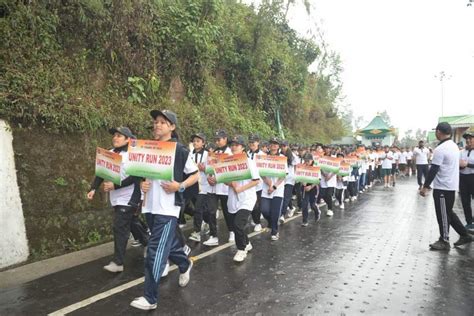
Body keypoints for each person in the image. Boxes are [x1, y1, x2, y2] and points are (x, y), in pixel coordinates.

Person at [130, 110, 199, 310]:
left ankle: (150, 298)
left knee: (155, 251)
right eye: (155, 122)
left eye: (163, 122)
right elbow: (143, 174)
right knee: (166, 246)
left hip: (168, 208)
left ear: (172, 127)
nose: (157, 125)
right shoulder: (148, 148)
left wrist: (180, 186)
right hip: (150, 206)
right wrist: (143, 184)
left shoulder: (180, 150)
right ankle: (185, 264)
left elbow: (194, 175)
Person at [87, 126, 142, 273]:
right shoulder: (109, 153)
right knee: (132, 224)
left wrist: (115, 186)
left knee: (119, 226)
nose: (115, 138)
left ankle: (118, 262)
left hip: (130, 196)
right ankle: (149, 243)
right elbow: (100, 173)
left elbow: (135, 177)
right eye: (114, 135)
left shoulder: (133, 155)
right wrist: (93, 188)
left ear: (128, 139)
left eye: (119, 135)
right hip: (116, 197)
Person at [419, 122, 472, 251]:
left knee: (442, 213)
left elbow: (434, 169)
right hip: (451, 185)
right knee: (447, 212)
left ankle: (444, 240)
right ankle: (464, 235)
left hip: (443, 186)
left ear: (438, 132)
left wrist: (425, 186)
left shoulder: (441, 149)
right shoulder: (454, 146)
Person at [225, 135, 260, 262]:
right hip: (233, 198)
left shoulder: (249, 162)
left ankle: (241, 249)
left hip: (247, 198)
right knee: (235, 226)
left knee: (238, 224)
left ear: (243, 147)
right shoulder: (228, 162)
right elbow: (225, 181)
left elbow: (256, 181)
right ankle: (246, 242)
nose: (234, 147)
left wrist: (241, 188)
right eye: (232, 145)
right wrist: (231, 184)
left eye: (237, 145)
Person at [203, 129, 233, 246]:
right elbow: (208, 168)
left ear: (225, 139)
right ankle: (213, 235)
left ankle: (232, 231)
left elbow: (232, 170)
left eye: (219, 139)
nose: (217, 142)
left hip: (225, 187)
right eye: (215, 140)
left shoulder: (231, 153)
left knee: (227, 211)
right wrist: (209, 177)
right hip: (212, 187)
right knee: (211, 211)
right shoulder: (212, 153)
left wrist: (218, 179)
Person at [260, 137, 287, 241]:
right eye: (272, 143)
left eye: (276, 144)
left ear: (278, 146)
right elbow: (261, 173)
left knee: (275, 212)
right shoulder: (264, 157)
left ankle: (274, 231)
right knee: (264, 210)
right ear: (269, 145)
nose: (274, 145)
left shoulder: (282, 158)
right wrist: (269, 184)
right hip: (266, 188)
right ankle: (271, 223)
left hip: (278, 189)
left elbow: (283, 175)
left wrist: (274, 186)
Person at [188, 133, 210, 243]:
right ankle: (207, 223)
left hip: (203, 185)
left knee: (198, 208)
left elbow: (212, 169)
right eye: (194, 141)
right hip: (192, 185)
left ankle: (197, 232)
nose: (195, 143)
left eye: (198, 141)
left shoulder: (208, 154)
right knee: (202, 209)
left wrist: (205, 169)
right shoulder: (189, 154)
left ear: (203, 143)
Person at [247, 133, 264, 232]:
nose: (251, 143)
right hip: (248, 184)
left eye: (253, 141)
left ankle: (257, 223)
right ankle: (254, 219)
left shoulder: (262, 155)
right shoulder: (246, 154)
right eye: (250, 142)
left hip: (259, 184)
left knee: (256, 205)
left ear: (258, 142)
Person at [300, 152, 320, 226]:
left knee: (312, 205)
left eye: (308, 161)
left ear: (312, 160)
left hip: (313, 187)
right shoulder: (302, 166)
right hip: (305, 187)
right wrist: (302, 182)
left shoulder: (316, 167)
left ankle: (317, 212)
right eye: (305, 161)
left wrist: (311, 186)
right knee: (304, 204)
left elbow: (318, 179)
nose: (306, 163)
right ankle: (305, 220)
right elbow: (299, 176)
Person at [459, 129, 474, 230]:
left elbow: (466, 163)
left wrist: (467, 164)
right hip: (463, 178)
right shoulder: (461, 152)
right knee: (465, 201)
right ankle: (469, 221)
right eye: (466, 139)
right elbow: (458, 163)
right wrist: (461, 166)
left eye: (470, 139)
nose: (468, 140)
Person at [280, 140, 296, 222]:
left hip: (290, 179)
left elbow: (297, 167)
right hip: (281, 179)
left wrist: (296, 177)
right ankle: (291, 207)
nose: (283, 148)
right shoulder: (279, 154)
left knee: (286, 197)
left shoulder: (292, 156)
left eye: (284, 146)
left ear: (287, 146)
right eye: (282, 146)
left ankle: (282, 215)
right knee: (285, 196)